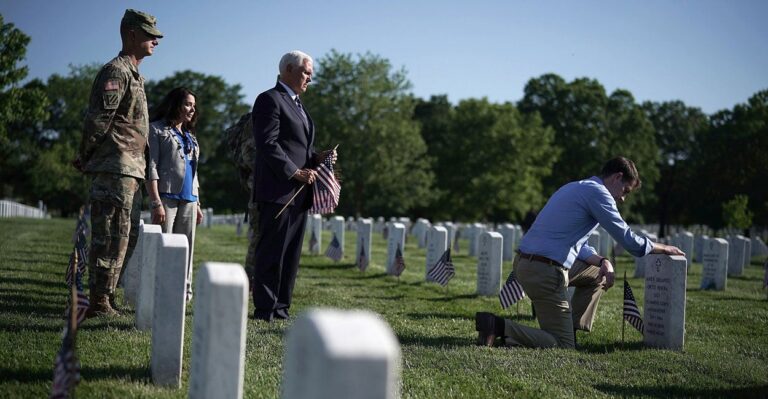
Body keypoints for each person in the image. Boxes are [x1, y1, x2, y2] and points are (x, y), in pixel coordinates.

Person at [476, 157, 684, 348]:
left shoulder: (574, 187)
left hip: (525, 264)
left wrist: (603, 261)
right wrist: (662, 247)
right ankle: (498, 325)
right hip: (545, 271)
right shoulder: (600, 194)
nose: (622, 199)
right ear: (617, 177)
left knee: (597, 275)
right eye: (625, 191)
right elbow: (630, 241)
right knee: (563, 345)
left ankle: (568, 329)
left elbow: (574, 243)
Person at [74, 9, 162, 317]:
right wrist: (85, 154)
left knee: (126, 234)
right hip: (116, 166)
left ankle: (106, 297)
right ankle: (99, 299)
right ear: (132, 35)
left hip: (131, 168)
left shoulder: (135, 74)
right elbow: (99, 119)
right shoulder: (117, 72)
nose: (156, 41)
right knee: (111, 233)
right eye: (150, 35)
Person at [250, 50, 335, 322]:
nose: (310, 77)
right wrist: (294, 172)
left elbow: (299, 148)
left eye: (311, 73)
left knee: (290, 256)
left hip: (300, 193)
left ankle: (281, 308)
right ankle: (265, 309)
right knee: (271, 253)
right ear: (288, 69)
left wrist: (318, 159)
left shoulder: (299, 105)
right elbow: (268, 144)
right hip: (278, 191)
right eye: (306, 72)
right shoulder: (270, 100)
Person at [145, 87, 203, 301]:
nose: (191, 109)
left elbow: (194, 171)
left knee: (186, 249)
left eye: (193, 106)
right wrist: (155, 202)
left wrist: (198, 202)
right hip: (166, 198)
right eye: (188, 104)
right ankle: (159, 293)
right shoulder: (156, 130)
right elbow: (150, 167)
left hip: (190, 198)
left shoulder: (190, 135)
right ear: (175, 104)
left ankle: (183, 293)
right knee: (165, 247)